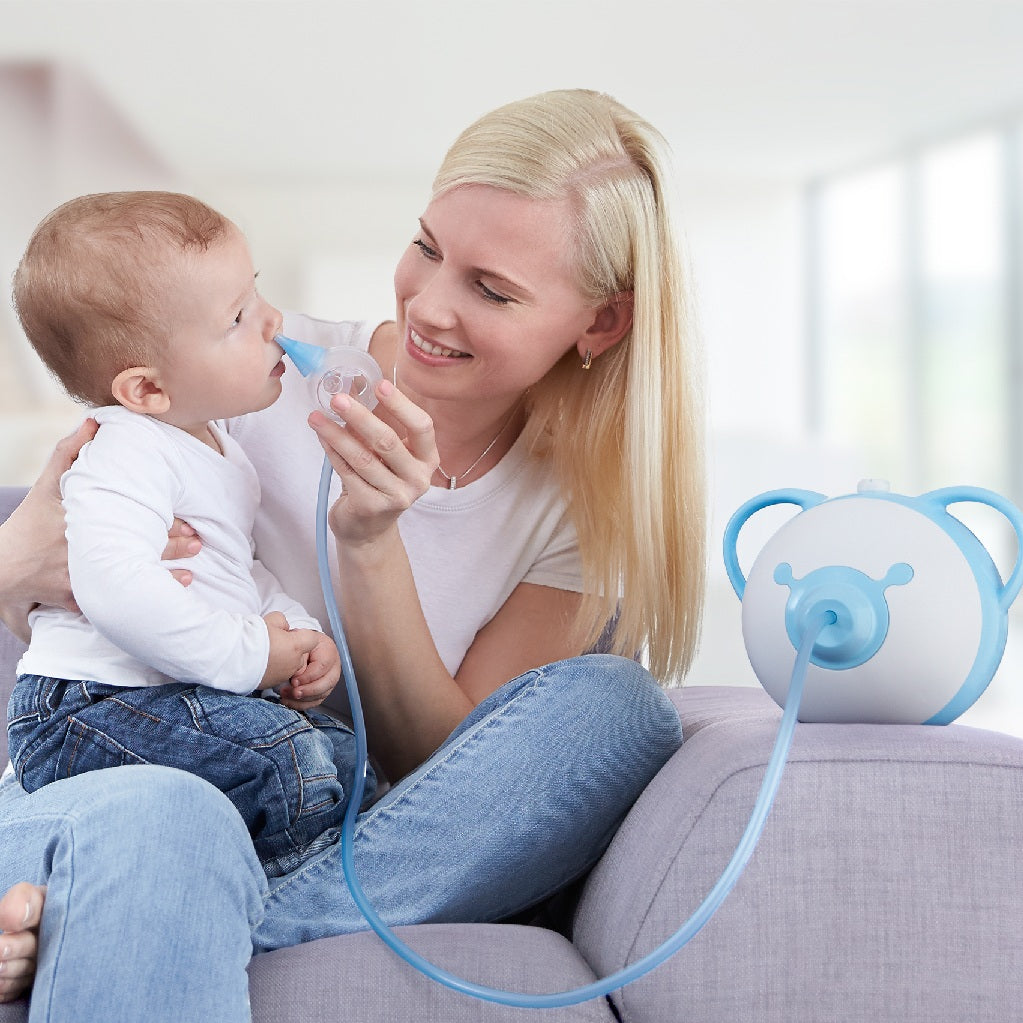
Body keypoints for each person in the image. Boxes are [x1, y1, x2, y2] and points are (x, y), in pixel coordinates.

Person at [0, 88, 706, 1019]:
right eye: (426, 248)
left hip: (323, 818)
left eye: (492, 290)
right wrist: (12, 562)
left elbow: (449, 776)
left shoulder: (581, 513)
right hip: (131, 795)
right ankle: (148, 894)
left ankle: (163, 913)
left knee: (619, 708)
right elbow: (69, 579)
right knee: (168, 815)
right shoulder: (233, 365)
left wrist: (368, 543)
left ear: (600, 325)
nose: (428, 306)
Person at [4, 191, 374, 877]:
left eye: (255, 292)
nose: (272, 320)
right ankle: (290, 898)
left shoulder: (218, 451)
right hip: (91, 707)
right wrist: (249, 654)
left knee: (350, 762)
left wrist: (294, 632)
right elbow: (114, 587)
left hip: (167, 697)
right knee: (286, 761)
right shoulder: (126, 449)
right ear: (146, 390)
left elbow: (237, 571)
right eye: (236, 317)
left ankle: (294, 873)